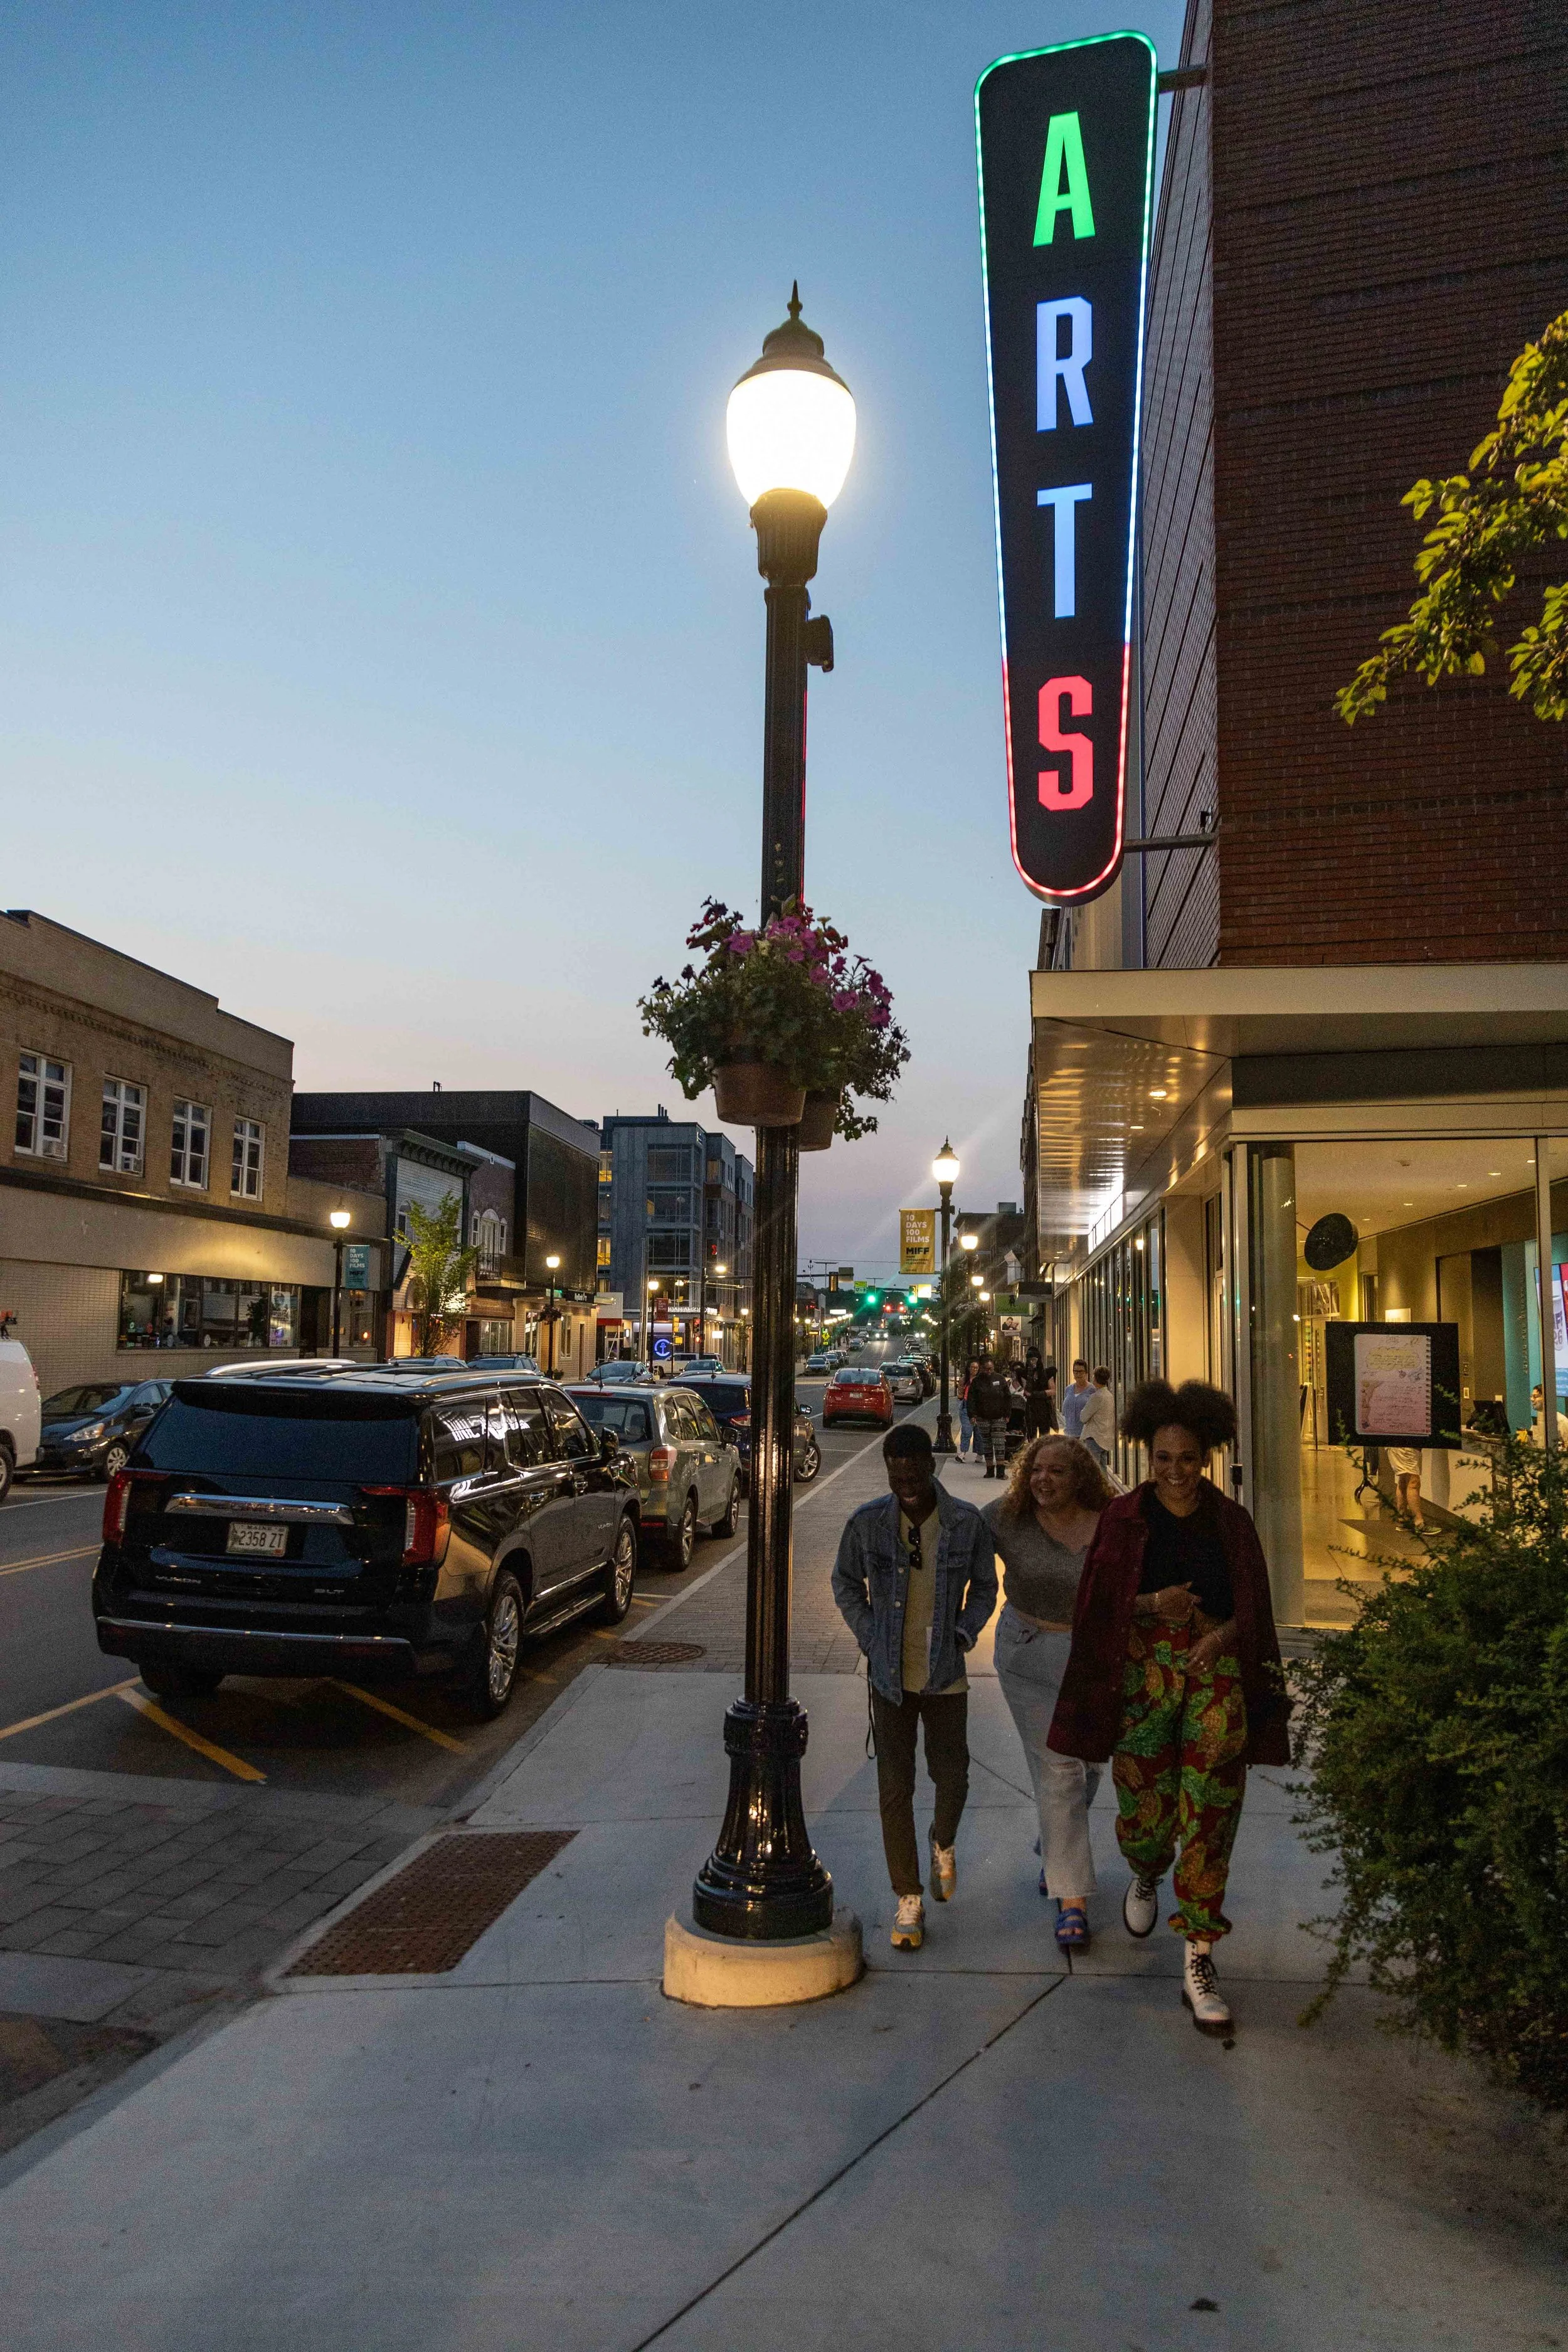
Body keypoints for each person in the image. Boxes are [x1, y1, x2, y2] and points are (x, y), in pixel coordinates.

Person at [1047, 1379, 1291, 2035]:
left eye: (1186, 1458)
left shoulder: (1229, 1522)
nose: (1175, 1470)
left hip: (1215, 1673)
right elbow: (1096, 1608)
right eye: (1163, 1458)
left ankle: (1200, 1952)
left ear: (1205, 1457)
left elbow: (1257, 1611)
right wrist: (1155, 1607)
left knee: (1211, 1806)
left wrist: (1221, 1636)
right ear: (1146, 1456)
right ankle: (1147, 1869)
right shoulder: (1124, 1520)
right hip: (1142, 1676)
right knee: (1146, 1811)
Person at [832, 1423, 998, 1951]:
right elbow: (845, 1583)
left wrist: (966, 1631)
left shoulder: (965, 1523)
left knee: (953, 1776)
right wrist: (867, 1633)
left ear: (930, 1466)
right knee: (894, 1788)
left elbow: (985, 1588)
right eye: (894, 1474)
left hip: (945, 1672)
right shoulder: (868, 1524)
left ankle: (943, 1841)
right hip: (890, 1678)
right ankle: (909, 1896)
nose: (903, 1483)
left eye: (912, 1473)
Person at [985, 1434, 1112, 1949]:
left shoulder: (1111, 1522)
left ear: (1080, 1476)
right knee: (1060, 1768)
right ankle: (1073, 1899)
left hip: (1093, 1656)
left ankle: (1055, 1842)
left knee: (1092, 1765)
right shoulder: (1006, 1517)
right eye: (1037, 1470)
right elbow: (949, 1537)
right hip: (1028, 1652)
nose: (1044, 1480)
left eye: (1058, 1471)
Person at [966, 1355, 1015, 1479]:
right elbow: (971, 1400)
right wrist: (972, 1415)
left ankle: (1000, 1471)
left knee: (999, 1443)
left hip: (999, 1416)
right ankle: (989, 1469)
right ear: (982, 1368)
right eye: (986, 1369)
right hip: (983, 1417)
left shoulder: (1000, 1379)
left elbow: (1008, 1397)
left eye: (991, 1369)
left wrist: (1007, 1414)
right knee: (987, 1443)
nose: (989, 1371)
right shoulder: (977, 1382)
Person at [1079, 1366, 1116, 1466]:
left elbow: (1083, 1417)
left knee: (1093, 1469)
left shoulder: (1096, 1397)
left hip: (1094, 1438)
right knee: (1102, 1469)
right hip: (1105, 1438)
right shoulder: (1109, 1396)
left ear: (1096, 1378)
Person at [1385, 1443, 1424, 1526]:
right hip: (1405, 1445)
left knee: (1403, 1480)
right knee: (1413, 1482)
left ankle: (1402, 1518)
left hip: (1398, 1443)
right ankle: (1419, 1522)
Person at [1022, 1352, 1057, 1439]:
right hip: (1031, 1409)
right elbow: (1026, 1391)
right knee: (1032, 1437)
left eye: (1034, 1360)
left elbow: (1053, 1391)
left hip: (1044, 1408)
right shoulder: (1026, 1375)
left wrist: (1037, 1394)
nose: (1033, 1363)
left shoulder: (1047, 1373)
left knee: (1044, 1438)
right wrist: (1030, 1374)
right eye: (1030, 1360)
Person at [1060, 1360, 1094, 1442]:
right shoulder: (1068, 1389)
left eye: (1081, 1372)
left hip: (1085, 1436)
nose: (1078, 1374)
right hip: (1069, 1435)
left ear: (1086, 1373)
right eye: (1076, 1372)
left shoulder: (1092, 1390)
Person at [956, 1358, 980, 1462]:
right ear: (969, 1368)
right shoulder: (964, 1380)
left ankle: (980, 1454)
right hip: (966, 1407)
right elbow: (960, 1394)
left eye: (976, 1368)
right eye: (973, 1368)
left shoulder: (980, 1380)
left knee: (979, 1433)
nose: (974, 1370)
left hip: (979, 1408)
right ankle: (962, 1453)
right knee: (967, 1430)